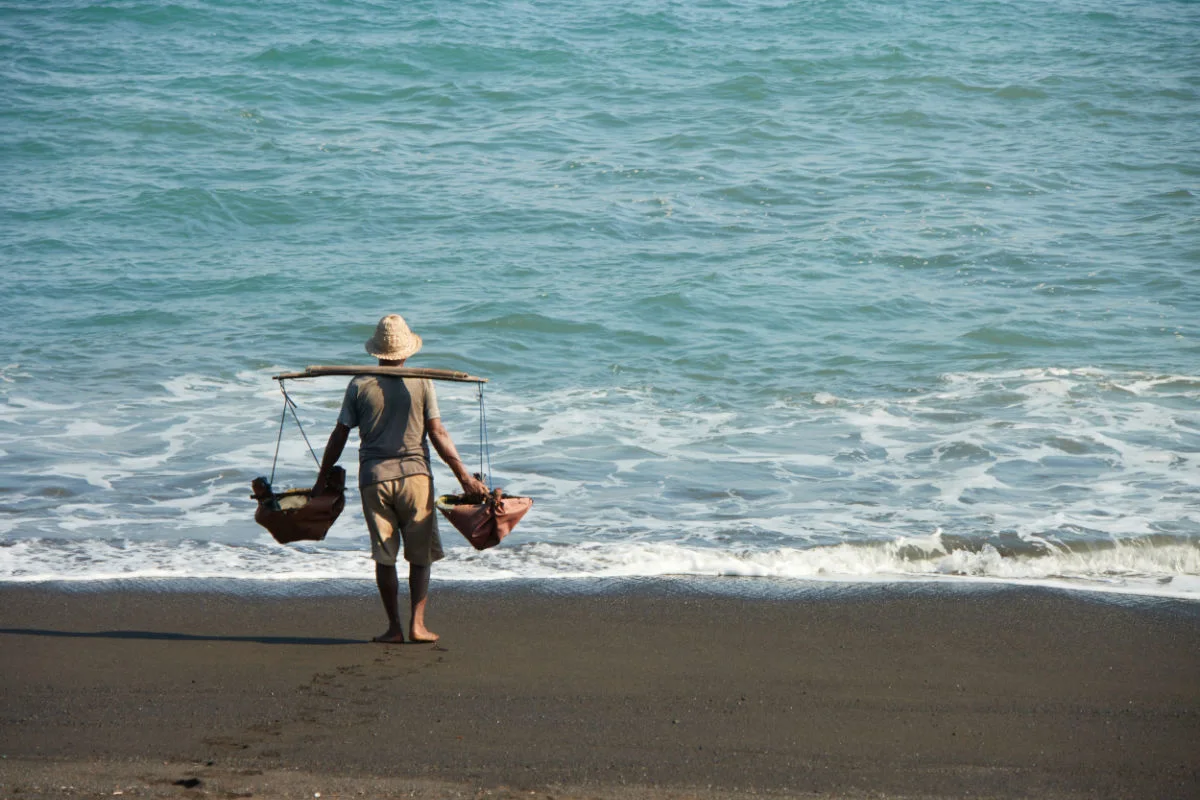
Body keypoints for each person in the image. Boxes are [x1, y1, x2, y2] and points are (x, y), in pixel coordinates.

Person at [315, 314, 487, 644]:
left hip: (374, 480)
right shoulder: (422, 382)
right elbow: (437, 434)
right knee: (420, 556)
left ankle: (394, 628)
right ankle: (417, 626)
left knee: (385, 556)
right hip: (416, 479)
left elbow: (339, 435)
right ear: (406, 351)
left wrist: (321, 477)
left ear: (378, 351)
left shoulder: (359, 384)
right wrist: (464, 478)